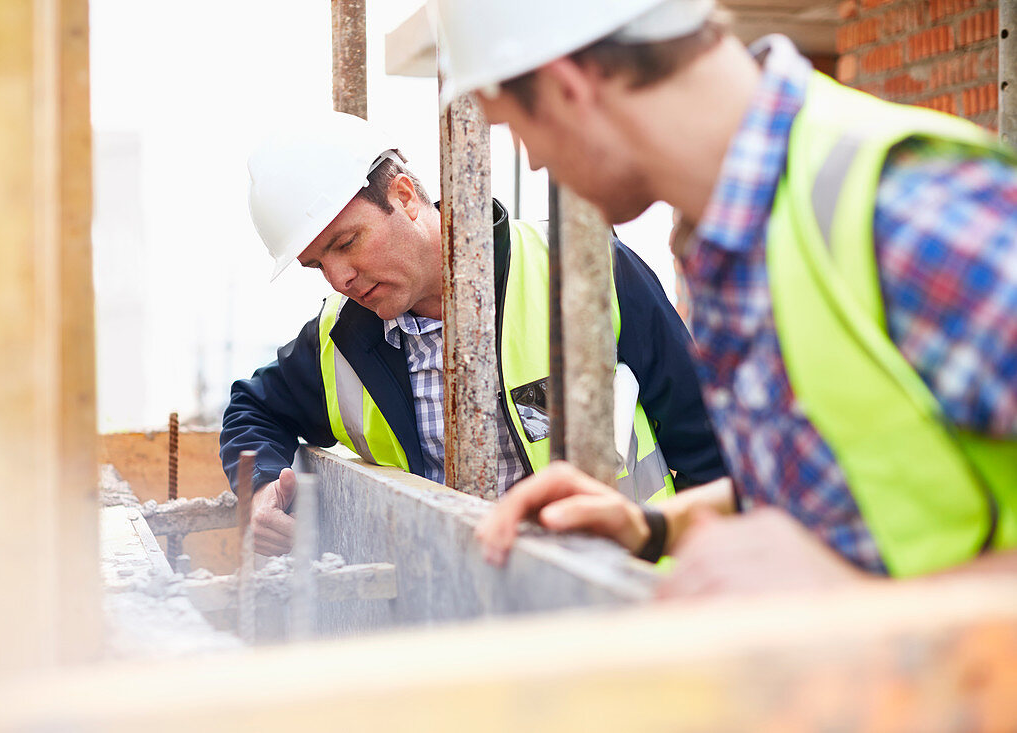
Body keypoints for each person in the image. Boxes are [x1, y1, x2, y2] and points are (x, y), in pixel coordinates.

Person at [433, 0, 1017, 594]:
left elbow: (840, 583)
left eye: (516, 129)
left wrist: (858, 603)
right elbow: (847, 489)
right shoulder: (738, 232)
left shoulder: (912, 212)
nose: (534, 162)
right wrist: (651, 527)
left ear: (567, 88)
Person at [220, 110, 727, 555]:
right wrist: (262, 487)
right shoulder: (340, 339)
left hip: (615, 604)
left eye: (347, 242)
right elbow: (252, 408)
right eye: (317, 265)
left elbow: (707, 441)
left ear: (403, 195)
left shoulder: (584, 270)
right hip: (457, 619)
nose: (339, 278)